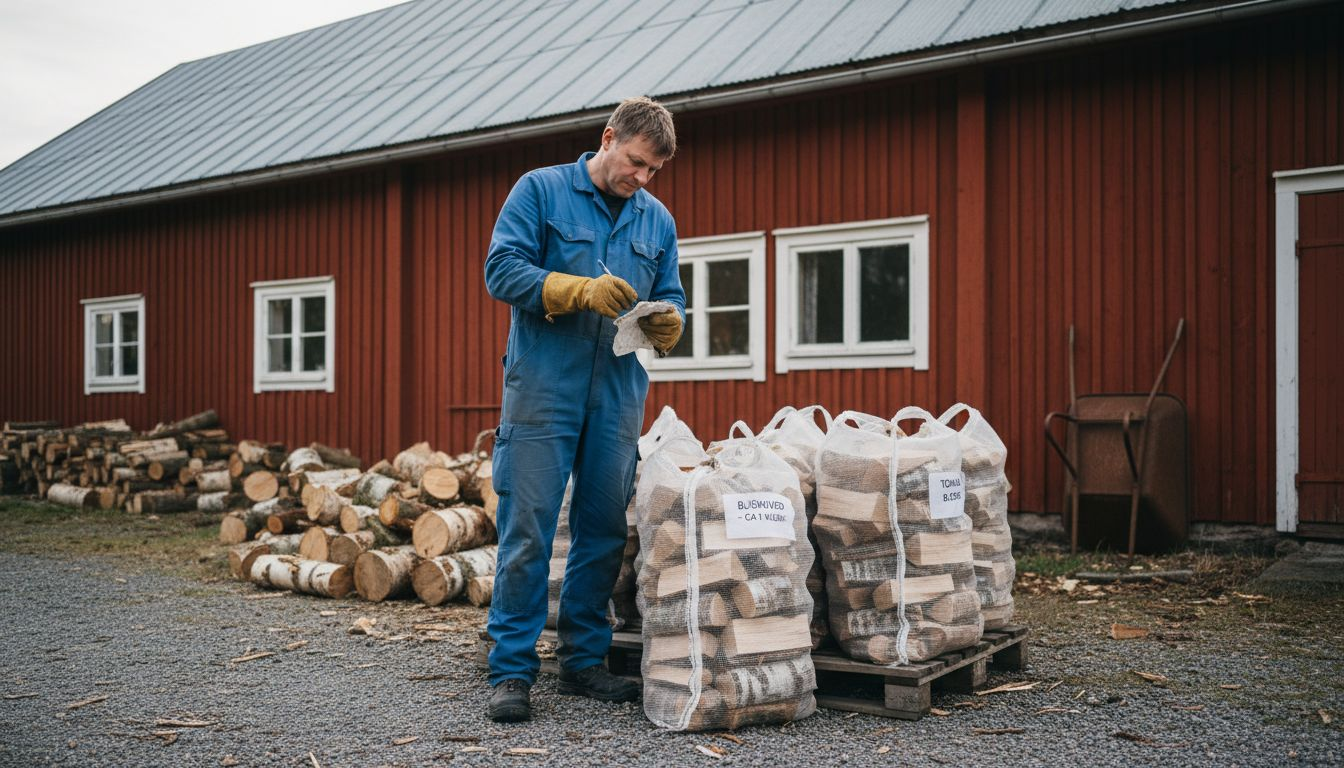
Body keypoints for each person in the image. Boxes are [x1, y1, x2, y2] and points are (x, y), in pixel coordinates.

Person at [482, 96, 685, 723]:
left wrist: (671, 320)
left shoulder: (657, 221)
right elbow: (501, 270)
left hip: (619, 391)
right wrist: (576, 290)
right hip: (544, 385)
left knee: (600, 531)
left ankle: (583, 664)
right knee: (529, 529)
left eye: (653, 170)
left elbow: (671, 293)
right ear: (607, 138)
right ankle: (512, 671)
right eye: (636, 163)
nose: (642, 179)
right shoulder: (540, 192)